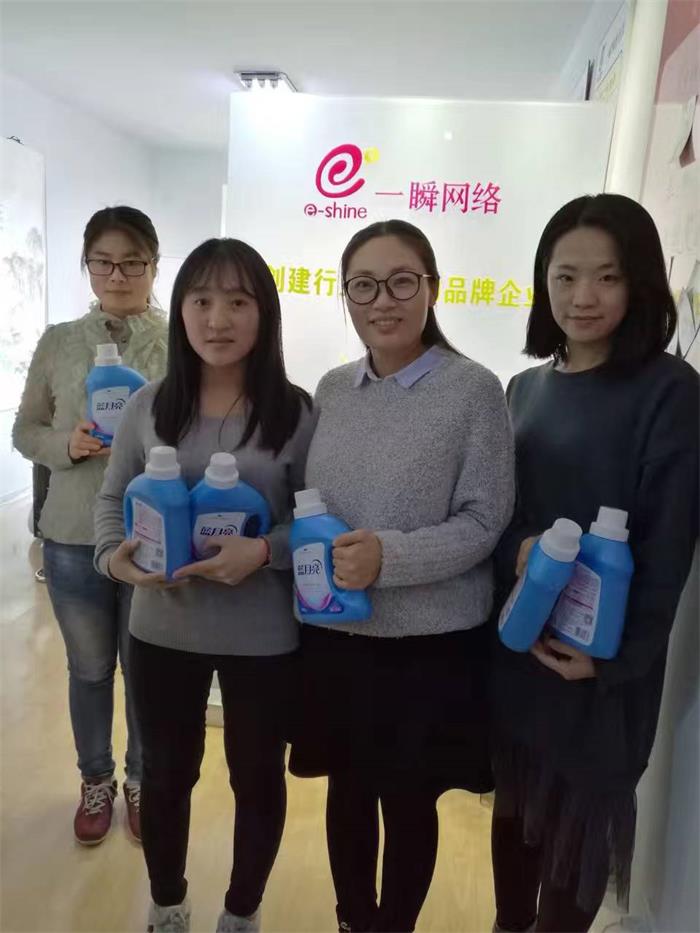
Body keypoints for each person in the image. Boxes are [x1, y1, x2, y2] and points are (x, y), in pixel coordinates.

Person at [288, 219, 515, 933]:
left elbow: (485, 521)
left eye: (401, 282)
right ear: (345, 296)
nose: (382, 301)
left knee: (409, 801)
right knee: (347, 792)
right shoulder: (333, 388)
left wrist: (389, 558)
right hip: (337, 635)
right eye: (363, 285)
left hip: (426, 643)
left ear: (432, 288)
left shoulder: (474, 390)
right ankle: (353, 919)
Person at [94, 238, 316, 933]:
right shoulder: (148, 405)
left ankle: (242, 910)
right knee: (166, 773)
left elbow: (316, 523)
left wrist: (265, 550)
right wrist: (114, 562)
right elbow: (111, 502)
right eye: (202, 300)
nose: (218, 319)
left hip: (264, 636)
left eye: (238, 301)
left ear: (264, 313)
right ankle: (168, 903)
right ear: (181, 309)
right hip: (163, 627)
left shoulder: (297, 413)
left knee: (257, 777)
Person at [491, 194, 699, 933]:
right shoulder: (525, 389)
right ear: (543, 282)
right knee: (514, 821)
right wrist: (517, 544)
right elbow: (500, 514)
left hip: (598, 668)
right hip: (522, 645)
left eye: (607, 277)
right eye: (565, 276)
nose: (583, 297)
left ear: (639, 283)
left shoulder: (671, 393)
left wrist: (614, 665)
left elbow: (669, 551)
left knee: (575, 845)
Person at [13, 206, 168, 845]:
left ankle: (142, 780)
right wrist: (66, 445)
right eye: (103, 262)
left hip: (153, 533)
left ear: (154, 265)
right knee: (89, 669)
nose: (118, 275)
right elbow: (25, 429)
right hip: (74, 534)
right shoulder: (59, 342)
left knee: (145, 671)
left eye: (132, 262)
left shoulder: (180, 340)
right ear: (87, 266)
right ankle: (96, 780)